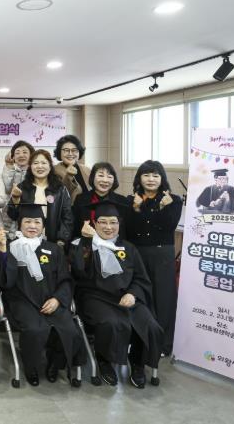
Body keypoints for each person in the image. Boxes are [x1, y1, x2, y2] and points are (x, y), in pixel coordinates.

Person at [69, 201, 163, 388]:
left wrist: (133, 294)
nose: (108, 227)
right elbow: (79, 271)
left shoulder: (128, 248)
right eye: (103, 222)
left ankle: (137, 363)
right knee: (112, 323)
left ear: (119, 224)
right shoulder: (81, 244)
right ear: (94, 224)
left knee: (150, 325)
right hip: (95, 298)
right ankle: (105, 361)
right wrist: (86, 241)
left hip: (127, 298)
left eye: (113, 222)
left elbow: (141, 278)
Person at [0, 204, 85, 385]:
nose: (32, 226)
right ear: (20, 224)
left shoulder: (54, 250)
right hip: (22, 302)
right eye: (27, 221)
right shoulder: (12, 248)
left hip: (51, 301)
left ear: (43, 226)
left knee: (69, 330)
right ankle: (31, 367)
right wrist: (3, 250)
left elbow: (65, 279)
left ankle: (55, 364)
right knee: (35, 329)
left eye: (37, 222)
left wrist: (57, 299)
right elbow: (3, 278)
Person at [127, 160, 182, 355]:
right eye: (146, 175)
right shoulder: (131, 200)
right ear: (139, 178)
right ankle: (138, 342)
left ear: (162, 179)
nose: (151, 179)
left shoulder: (173, 200)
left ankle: (163, 344)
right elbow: (131, 229)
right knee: (139, 295)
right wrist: (136, 208)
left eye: (155, 175)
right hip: (138, 253)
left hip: (162, 255)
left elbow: (168, 226)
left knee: (164, 298)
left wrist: (161, 208)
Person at [8, 149, 73, 248]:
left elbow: (67, 217)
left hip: (53, 241)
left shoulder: (60, 189)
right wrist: (15, 199)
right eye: (36, 163)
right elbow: (13, 215)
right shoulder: (22, 187)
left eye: (44, 163)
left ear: (50, 166)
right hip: (27, 241)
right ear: (30, 166)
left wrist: (62, 240)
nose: (40, 166)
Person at [71, 162, 129, 240]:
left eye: (109, 177)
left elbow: (125, 230)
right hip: (87, 242)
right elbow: (75, 227)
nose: (105, 180)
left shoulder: (122, 201)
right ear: (92, 177)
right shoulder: (81, 199)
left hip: (114, 244)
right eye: (101, 175)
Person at [1, 140, 35, 239]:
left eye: (25, 152)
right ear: (13, 156)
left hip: (29, 216)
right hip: (10, 217)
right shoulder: (11, 171)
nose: (21, 155)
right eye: (17, 153)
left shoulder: (36, 172)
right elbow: (7, 188)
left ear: (31, 155)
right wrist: (9, 166)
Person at [53, 135, 91, 203]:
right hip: (69, 209)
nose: (70, 154)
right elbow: (59, 195)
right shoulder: (53, 171)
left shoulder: (87, 169)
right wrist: (69, 176)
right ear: (59, 152)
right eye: (66, 150)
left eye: (74, 150)